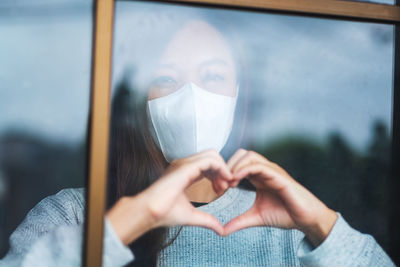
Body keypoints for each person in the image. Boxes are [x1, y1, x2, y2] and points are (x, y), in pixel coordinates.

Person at [0, 16, 395, 267]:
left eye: (213, 76)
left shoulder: (285, 229)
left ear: (236, 98)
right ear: (142, 102)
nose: (192, 95)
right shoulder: (72, 216)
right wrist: (128, 221)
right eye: (168, 78)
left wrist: (320, 222)